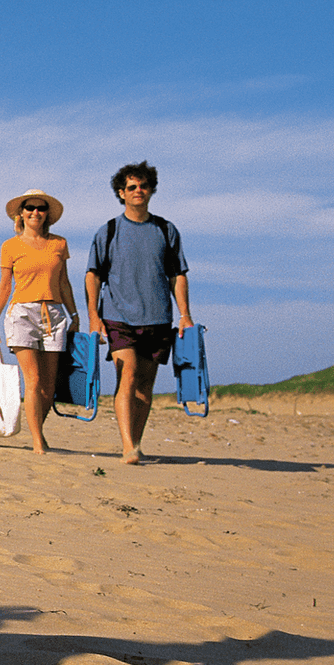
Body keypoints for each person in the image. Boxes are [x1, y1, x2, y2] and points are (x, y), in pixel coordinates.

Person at [84, 160, 194, 465]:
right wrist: (94, 316)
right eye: (131, 187)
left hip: (159, 317)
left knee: (145, 387)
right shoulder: (108, 231)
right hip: (119, 317)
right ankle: (127, 446)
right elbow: (92, 275)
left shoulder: (166, 230)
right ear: (121, 192)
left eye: (143, 186)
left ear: (151, 190)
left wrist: (184, 314)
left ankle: (137, 441)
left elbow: (178, 276)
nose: (138, 191)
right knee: (128, 376)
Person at [0, 187, 78, 453]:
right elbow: (5, 286)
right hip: (22, 314)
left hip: (55, 314)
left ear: (48, 214)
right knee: (34, 380)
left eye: (41, 208)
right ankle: (38, 441)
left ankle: (37, 428)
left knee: (49, 386)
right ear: (21, 214)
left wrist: (75, 315)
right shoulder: (10, 246)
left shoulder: (59, 244)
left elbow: (64, 282)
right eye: (30, 208)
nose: (36, 212)